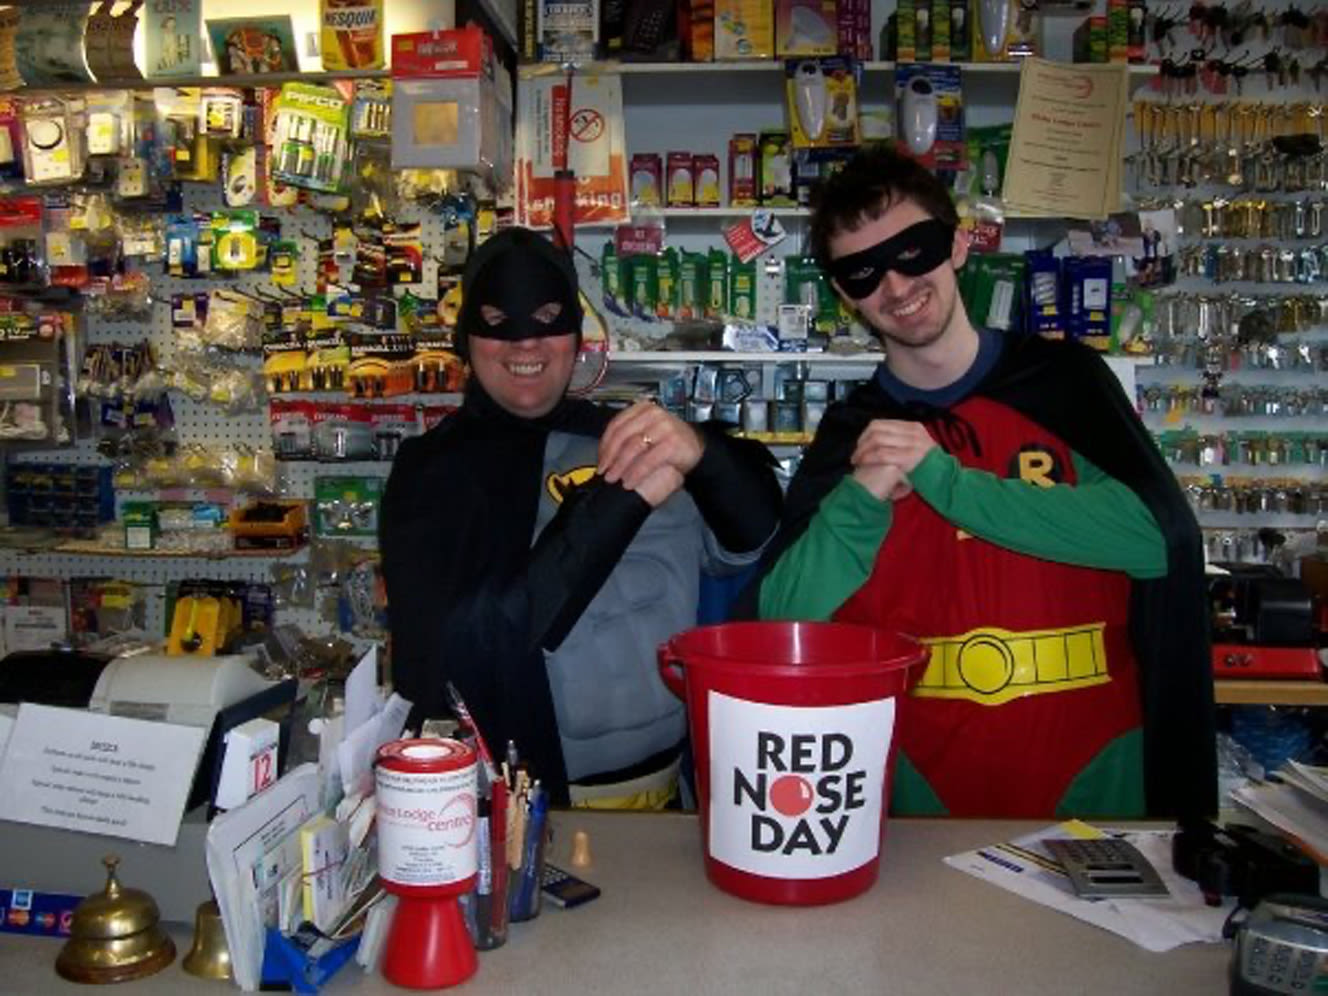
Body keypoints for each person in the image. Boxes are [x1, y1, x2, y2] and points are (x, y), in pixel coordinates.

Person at [745, 144, 1215, 821]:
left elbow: (1156, 538)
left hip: (1096, 760)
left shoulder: (1066, 383)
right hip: (920, 775)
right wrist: (860, 501)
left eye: (914, 250)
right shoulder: (856, 434)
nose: (897, 286)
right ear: (844, 294)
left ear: (958, 245)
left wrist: (944, 477)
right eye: (864, 272)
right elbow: (784, 617)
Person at [380, 227, 781, 809]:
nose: (526, 344)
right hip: (528, 808)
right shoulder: (433, 472)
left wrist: (704, 451)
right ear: (466, 336)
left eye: (547, 318)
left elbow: (756, 537)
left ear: (576, 333)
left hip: (675, 793)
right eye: (498, 321)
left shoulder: (632, 435)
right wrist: (622, 500)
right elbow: (462, 646)